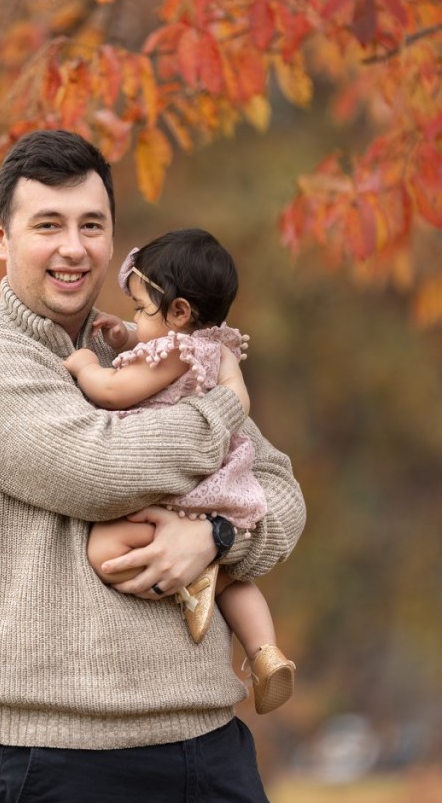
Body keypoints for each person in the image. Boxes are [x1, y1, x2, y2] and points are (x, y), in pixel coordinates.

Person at [0, 129, 306, 803]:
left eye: (91, 225)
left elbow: (279, 494)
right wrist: (225, 404)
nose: (73, 246)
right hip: (66, 763)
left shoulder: (157, 355)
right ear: (0, 238)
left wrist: (215, 538)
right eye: (48, 224)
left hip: (209, 746)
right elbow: (104, 471)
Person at [63, 228, 296, 714]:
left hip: (184, 481)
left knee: (103, 548)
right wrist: (126, 335)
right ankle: (264, 654)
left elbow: (115, 391)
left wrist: (87, 366)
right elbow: (154, 352)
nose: (134, 318)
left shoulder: (175, 352)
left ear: (180, 313)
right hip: (220, 483)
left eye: (141, 310)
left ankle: (192, 581)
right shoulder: (209, 347)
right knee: (234, 580)